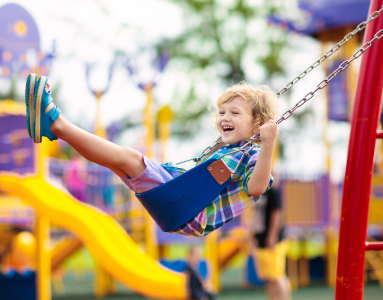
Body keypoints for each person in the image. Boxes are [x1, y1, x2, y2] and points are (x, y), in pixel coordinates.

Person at [25, 73, 278, 237]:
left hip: (189, 210)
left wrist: (268, 145)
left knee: (130, 159)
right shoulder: (227, 151)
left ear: (257, 125)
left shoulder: (253, 155)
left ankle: (56, 123)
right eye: (222, 112)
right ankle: (53, 129)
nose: (225, 117)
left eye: (234, 113)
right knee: (117, 161)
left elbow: (256, 188)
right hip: (179, 201)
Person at [251, 185, 291, 300]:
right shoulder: (257, 193)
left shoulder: (273, 192)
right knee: (269, 277)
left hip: (272, 241)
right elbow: (257, 217)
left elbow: (277, 214)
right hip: (261, 239)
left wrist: (272, 236)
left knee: (277, 275)